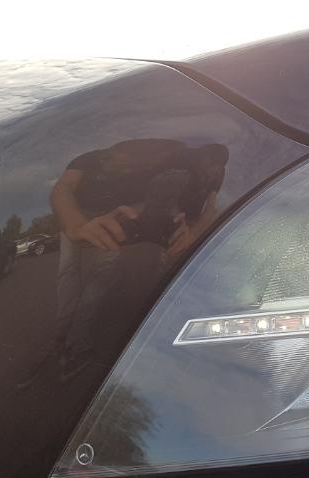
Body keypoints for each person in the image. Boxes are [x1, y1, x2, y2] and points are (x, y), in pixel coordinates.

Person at [44, 138, 228, 378]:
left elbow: (205, 205)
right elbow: (62, 189)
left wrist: (191, 230)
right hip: (79, 216)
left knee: (104, 273)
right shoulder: (88, 159)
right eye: (123, 163)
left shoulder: (205, 171)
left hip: (117, 218)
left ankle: (77, 340)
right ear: (109, 155)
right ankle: (63, 333)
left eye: (133, 165)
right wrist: (75, 223)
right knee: (68, 270)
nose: (129, 168)